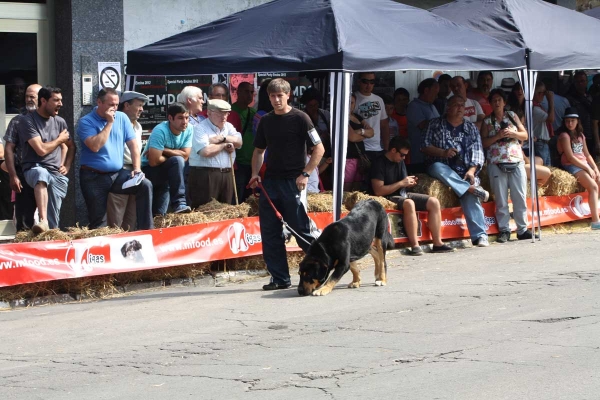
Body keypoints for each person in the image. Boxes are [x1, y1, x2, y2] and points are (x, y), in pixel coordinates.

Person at [249, 78, 324, 290]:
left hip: (294, 183)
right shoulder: (266, 121)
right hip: (270, 182)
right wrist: (255, 173)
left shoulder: (301, 118)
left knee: (301, 231)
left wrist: (306, 174)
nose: (276, 100)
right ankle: (280, 278)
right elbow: (258, 151)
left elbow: (319, 149)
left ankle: (323, 266)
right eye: (272, 96)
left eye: (279, 96)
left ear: (288, 95)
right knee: (270, 232)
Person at [77, 88, 153, 230]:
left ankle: (147, 230)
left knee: (145, 185)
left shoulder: (122, 117)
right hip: (93, 177)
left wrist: (137, 169)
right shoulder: (86, 121)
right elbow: (95, 146)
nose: (114, 108)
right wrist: (109, 123)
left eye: (117, 105)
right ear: (99, 102)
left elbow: (134, 146)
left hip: (117, 174)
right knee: (99, 221)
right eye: (111, 105)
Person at [422, 95, 490, 247]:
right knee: (438, 167)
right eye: (456, 105)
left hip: (464, 170)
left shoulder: (471, 127)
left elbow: (478, 151)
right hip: (441, 166)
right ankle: (470, 189)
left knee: (468, 193)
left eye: (462, 105)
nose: (460, 108)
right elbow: (424, 146)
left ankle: (479, 236)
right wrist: (443, 152)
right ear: (448, 107)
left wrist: (472, 171)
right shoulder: (435, 124)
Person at [371, 136, 454, 255]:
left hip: (401, 193)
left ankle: (437, 243)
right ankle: (415, 245)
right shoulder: (379, 163)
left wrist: (409, 182)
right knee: (409, 203)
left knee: (434, 201)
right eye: (402, 155)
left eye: (405, 155)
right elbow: (378, 191)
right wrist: (401, 183)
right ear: (393, 150)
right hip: (387, 196)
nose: (403, 158)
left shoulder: (399, 161)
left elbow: (403, 183)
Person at [18, 86, 75, 233]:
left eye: (61, 100)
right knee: (41, 174)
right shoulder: (27, 121)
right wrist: (59, 140)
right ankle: (42, 221)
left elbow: (71, 146)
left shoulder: (60, 121)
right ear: (43, 101)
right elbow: (41, 150)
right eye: (56, 100)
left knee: (54, 222)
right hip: (33, 168)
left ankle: (50, 232)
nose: (60, 104)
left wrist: (66, 165)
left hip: (55, 172)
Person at [480, 89, 532, 243]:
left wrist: (513, 134)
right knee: (501, 198)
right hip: (496, 162)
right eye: (494, 100)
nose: (497, 103)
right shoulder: (487, 121)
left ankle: (522, 229)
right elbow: (483, 142)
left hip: (515, 160)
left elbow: (525, 135)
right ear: (490, 103)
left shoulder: (512, 116)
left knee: (519, 196)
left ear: (504, 102)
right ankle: (504, 230)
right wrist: (498, 136)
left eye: (499, 100)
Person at [189, 99, 243, 207]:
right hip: (205, 175)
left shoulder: (228, 126)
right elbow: (205, 151)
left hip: (227, 173)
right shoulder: (200, 128)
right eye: (219, 113)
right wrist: (224, 145)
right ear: (209, 113)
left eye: (226, 113)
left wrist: (222, 138)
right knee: (206, 211)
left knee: (226, 210)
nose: (223, 116)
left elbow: (239, 142)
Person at [141, 102, 193, 216]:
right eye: (180, 118)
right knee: (177, 161)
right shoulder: (160, 130)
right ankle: (179, 202)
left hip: (168, 173)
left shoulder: (189, 129)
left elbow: (185, 156)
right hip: (149, 171)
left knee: (159, 216)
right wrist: (174, 156)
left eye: (187, 118)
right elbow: (153, 161)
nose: (184, 122)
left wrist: (164, 150)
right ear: (170, 118)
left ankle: (180, 205)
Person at [106, 91, 147, 230]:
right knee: (116, 221)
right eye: (139, 105)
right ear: (127, 105)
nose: (142, 109)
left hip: (134, 172)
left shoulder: (138, 126)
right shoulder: (114, 124)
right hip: (119, 172)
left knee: (131, 220)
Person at [3, 83, 41, 230]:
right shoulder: (17, 121)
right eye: (27, 96)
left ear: (42, 99)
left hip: (46, 172)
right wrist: (13, 176)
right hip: (23, 173)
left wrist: (64, 165)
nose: (28, 100)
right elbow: (8, 149)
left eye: (32, 96)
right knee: (24, 223)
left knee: (48, 221)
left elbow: (65, 144)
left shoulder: (52, 120)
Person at [556, 107, 600, 230]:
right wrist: (588, 168)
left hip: (582, 163)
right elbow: (570, 157)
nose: (569, 124)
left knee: (599, 182)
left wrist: (595, 168)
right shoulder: (564, 136)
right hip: (572, 165)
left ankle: (594, 211)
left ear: (577, 121)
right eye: (567, 121)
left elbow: (587, 154)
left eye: (572, 121)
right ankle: (595, 222)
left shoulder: (580, 135)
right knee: (593, 186)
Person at [299, 88, 332, 189]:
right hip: (310, 155)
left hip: (327, 154)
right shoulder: (301, 117)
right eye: (310, 106)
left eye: (316, 105)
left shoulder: (326, 115)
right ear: (306, 104)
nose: (314, 108)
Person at [406, 78, 440, 173]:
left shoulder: (432, 106)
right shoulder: (414, 106)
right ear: (426, 90)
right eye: (435, 92)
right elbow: (423, 125)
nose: (436, 96)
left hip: (432, 154)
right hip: (418, 155)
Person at [353, 72, 390, 158]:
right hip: (360, 147)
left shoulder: (379, 100)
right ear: (359, 82)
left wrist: (386, 148)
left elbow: (384, 125)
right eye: (365, 81)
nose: (368, 85)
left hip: (377, 148)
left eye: (372, 82)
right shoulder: (353, 99)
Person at [232, 81, 257, 203]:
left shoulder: (253, 113)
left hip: (252, 162)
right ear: (238, 93)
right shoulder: (230, 111)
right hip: (238, 162)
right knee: (238, 196)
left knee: (250, 197)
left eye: (252, 92)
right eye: (246, 91)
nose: (249, 95)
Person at [345, 93, 374, 192]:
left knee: (358, 188)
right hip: (348, 158)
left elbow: (372, 132)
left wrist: (360, 132)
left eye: (352, 103)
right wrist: (364, 135)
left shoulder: (358, 116)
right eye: (348, 102)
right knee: (347, 188)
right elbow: (352, 137)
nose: (350, 105)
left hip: (360, 158)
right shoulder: (342, 118)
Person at [566, 71, 597, 159]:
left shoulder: (590, 96)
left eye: (582, 81)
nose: (580, 84)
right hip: (579, 134)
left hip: (593, 133)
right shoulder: (569, 98)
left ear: (587, 81)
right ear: (574, 83)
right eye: (578, 82)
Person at [532, 81, 554, 166]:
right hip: (539, 143)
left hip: (542, 143)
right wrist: (551, 101)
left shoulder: (537, 107)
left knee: (547, 170)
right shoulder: (535, 109)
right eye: (542, 93)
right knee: (544, 170)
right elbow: (551, 119)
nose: (543, 95)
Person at [390, 87, 410, 163]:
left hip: (408, 147)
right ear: (394, 100)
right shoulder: (390, 114)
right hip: (395, 149)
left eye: (404, 99)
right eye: (399, 99)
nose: (401, 102)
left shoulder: (411, 114)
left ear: (408, 100)